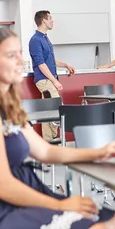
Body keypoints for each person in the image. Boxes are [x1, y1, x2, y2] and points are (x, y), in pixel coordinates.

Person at [0, 27, 115, 229]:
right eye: (11, 55)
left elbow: (45, 151)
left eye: (20, 53)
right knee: (99, 225)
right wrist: (60, 204)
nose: (21, 60)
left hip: (20, 193)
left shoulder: (6, 105)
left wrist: (99, 152)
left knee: (112, 219)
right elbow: (0, 185)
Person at [29, 10, 75, 141]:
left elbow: (50, 59)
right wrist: (54, 81)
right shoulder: (35, 40)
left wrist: (65, 65)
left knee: (47, 112)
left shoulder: (44, 38)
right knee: (57, 109)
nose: (52, 21)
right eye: (50, 18)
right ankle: (53, 141)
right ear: (43, 21)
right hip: (45, 81)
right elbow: (41, 64)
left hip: (48, 79)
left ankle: (48, 143)